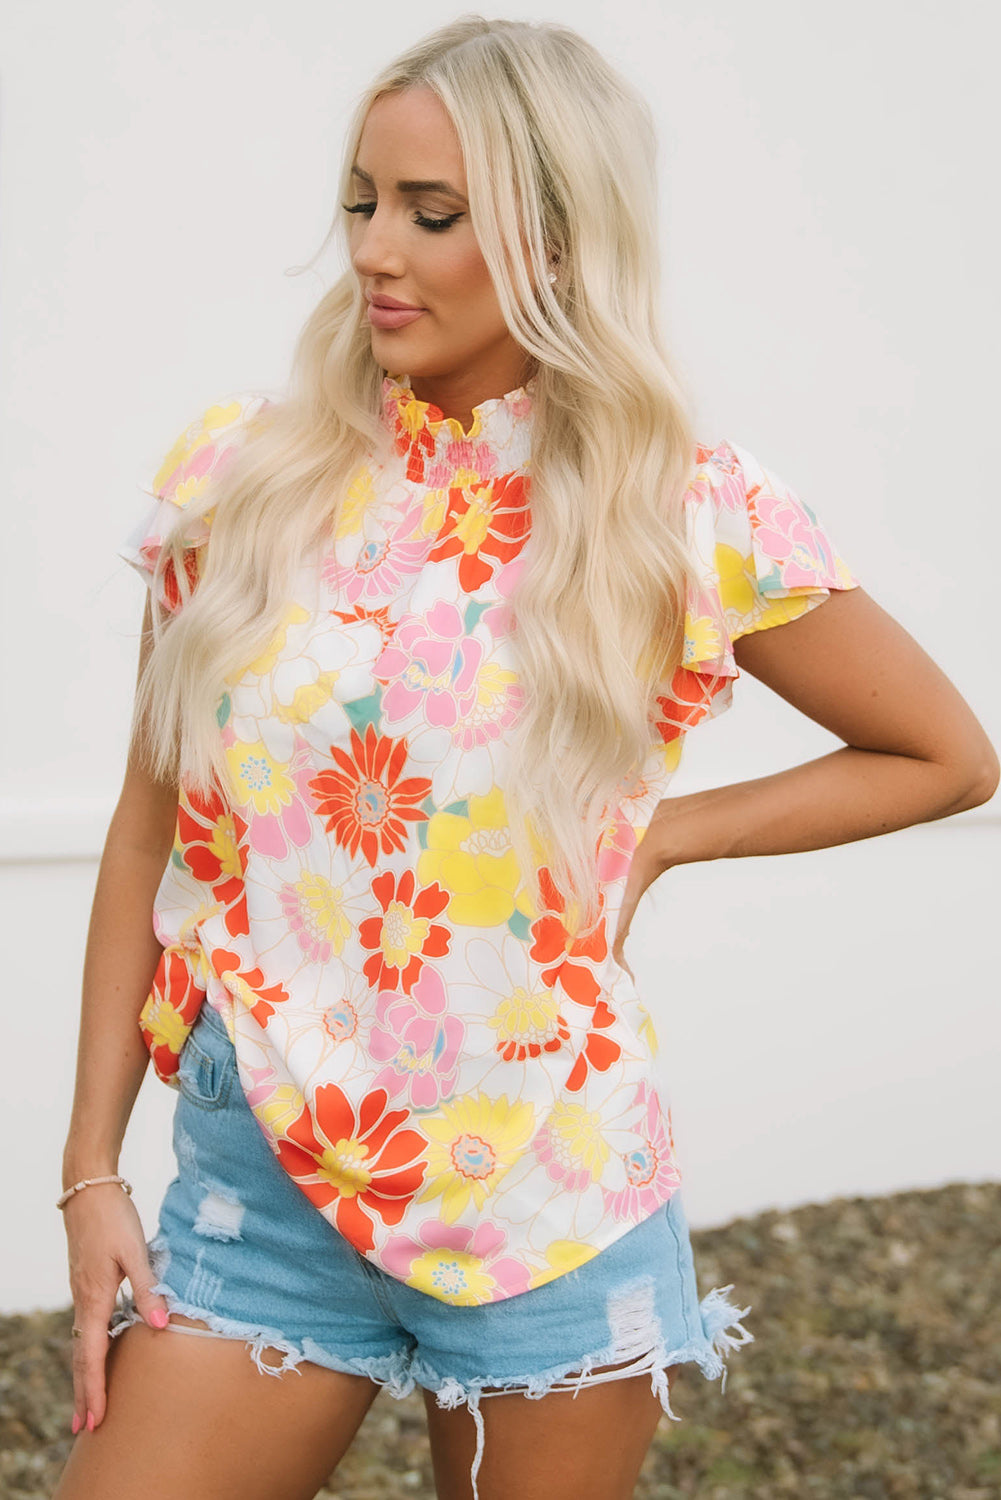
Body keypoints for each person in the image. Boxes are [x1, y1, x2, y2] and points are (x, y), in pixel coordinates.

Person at [53, 15, 998, 1500]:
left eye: (433, 214)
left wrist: (668, 834)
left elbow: (942, 754)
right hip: (265, 1188)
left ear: (558, 239)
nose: (376, 250)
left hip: (550, 1201)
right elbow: (143, 825)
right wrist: (91, 1170)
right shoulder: (240, 481)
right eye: (363, 200)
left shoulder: (675, 511)